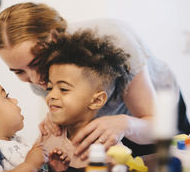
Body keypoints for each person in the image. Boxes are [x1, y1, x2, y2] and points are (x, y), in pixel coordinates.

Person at [0, 2, 190, 159]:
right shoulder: (38, 75)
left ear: (54, 36)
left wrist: (125, 124)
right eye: (19, 72)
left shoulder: (114, 39)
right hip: (113, 125)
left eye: (37, 62)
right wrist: (56, 119)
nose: (36, 79)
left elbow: (156, 125)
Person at [32, 30, 132, 168]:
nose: (51, 96)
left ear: (96, 101)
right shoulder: (47, 136)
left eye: (63, 89)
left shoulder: (111, 150)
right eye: (50, 88)